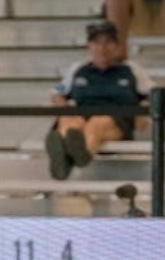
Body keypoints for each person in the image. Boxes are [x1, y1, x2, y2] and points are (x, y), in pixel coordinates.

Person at [44, 21, 151, 180]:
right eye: (96, 42)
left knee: (97, 123)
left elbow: (152, 94)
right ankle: (67, 154)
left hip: (117, 117)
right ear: (89, 46)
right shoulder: (79, 69)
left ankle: (69, 159)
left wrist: (142, 112)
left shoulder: (131, 69)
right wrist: (65, 111)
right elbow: (57, 93)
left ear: (116, 46)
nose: (102, 48)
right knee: (69, 123)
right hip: (83, 113)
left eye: (108, 42)